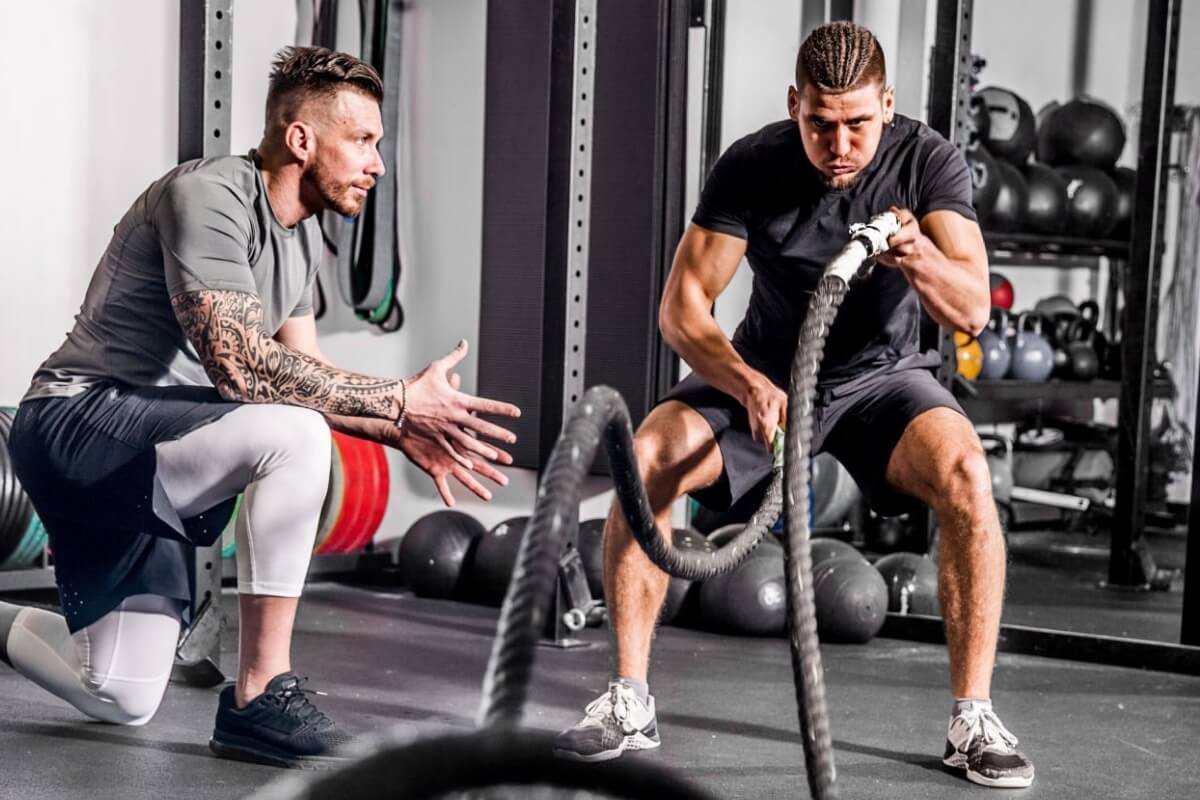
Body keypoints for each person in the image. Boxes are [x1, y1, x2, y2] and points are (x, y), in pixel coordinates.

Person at [0, 46, 519, 769]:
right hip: (78, 422)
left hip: (154, 453)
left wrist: (401, 426)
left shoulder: (301, 245)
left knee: (120, 692)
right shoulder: (208, 197)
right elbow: (242, 366)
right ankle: (259, 696)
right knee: (295, 435)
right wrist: (400, 396)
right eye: (362, 140)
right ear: (301, 139)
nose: (377, 164)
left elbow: (306, 377)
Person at [554, 21, 1034, 789]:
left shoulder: (927, 160)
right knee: (646, 458)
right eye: (819, 123)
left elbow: (972, 309)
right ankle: (629, 699)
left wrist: (914, 250)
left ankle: (972, 718)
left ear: (887, 106)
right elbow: (682, 308)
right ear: (794, 106)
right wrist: (743, 380)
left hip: (882, 381)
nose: (838, 145)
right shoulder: (753, 164)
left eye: (857, 124)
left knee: (967, 476)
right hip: (768, 372)